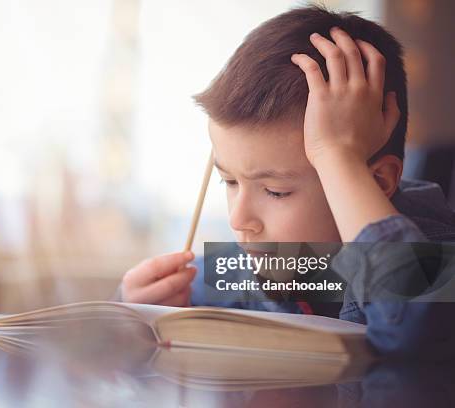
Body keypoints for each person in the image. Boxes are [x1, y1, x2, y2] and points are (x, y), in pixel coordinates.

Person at [118, 6, 455, 358]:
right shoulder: (249, 265)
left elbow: (412, 325)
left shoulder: (434, 252)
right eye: (229, 182)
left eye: (275, 191)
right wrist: (137, 308)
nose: (239, 219)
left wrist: (338, 154)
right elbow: (137, 322)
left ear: (375, 181)